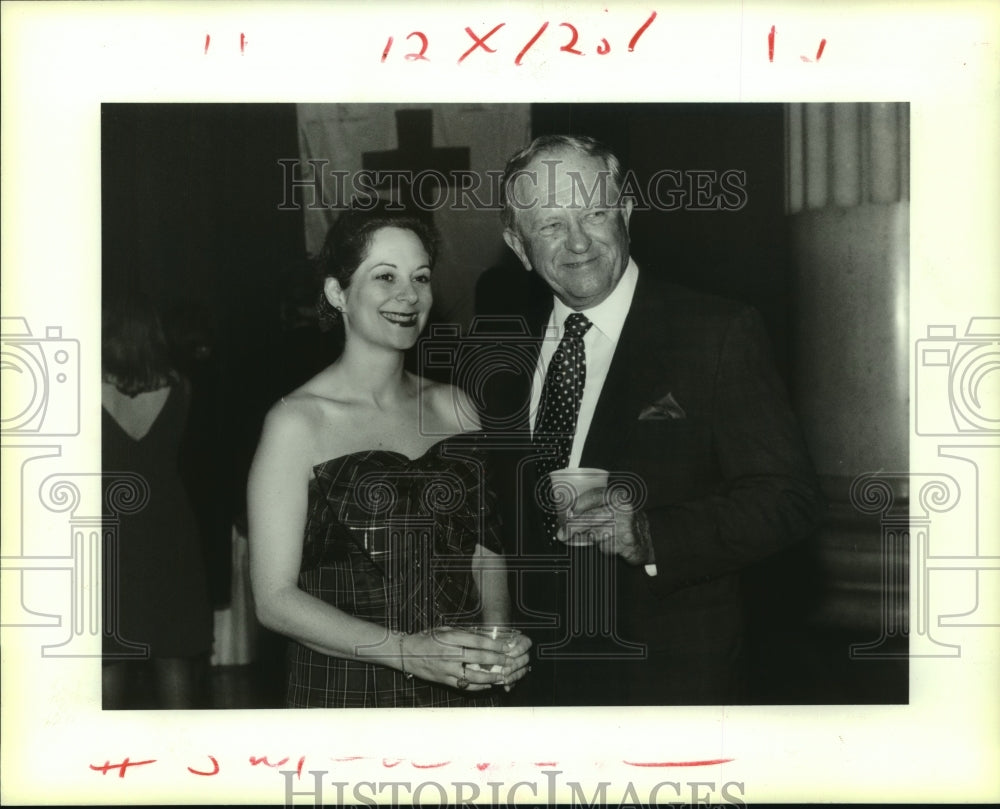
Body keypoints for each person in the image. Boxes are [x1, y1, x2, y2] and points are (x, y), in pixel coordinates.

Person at [477, 134, 821, 706]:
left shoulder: (714, 333)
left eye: (594, 213)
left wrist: (652, 534)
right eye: (552, 225)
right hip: (535, 686)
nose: (579, 241)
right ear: (518, 245)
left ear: (627, 213)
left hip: (668, 682)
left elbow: (790, 500)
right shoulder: (498, 351)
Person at [247, 204, 532, 708]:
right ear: (338, 293)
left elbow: (486, 549)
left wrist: (497, 639)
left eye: (420, 277)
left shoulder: (456, 406)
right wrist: (406, 652)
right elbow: (274, 601)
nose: (409, 295)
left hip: (461, 691)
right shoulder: (296, 422)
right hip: (349, 690)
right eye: (385, 276)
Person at [101, 292, 214, 709]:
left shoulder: (80, 390)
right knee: (174, 651)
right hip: (168, 523)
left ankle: (100, 765)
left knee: (107, 654)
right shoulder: (181, 386)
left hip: (108, 525)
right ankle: (181, 765)